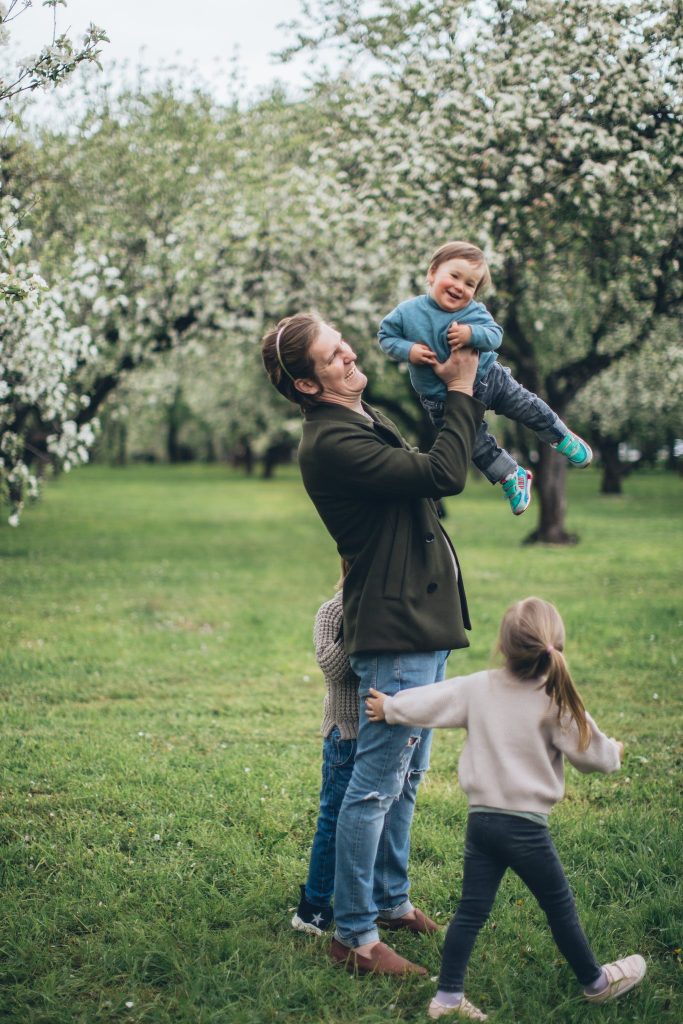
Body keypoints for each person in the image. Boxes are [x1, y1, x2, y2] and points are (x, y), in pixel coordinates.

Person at [262, 311, 484, 976]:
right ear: (307, 385)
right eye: (333, 355)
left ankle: (389, 902)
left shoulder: (355, 420)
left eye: (342, 343)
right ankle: (353, 937)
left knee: (407, 778)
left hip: (420, 621)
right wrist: (462, 391)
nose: (350, 353)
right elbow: (442, 472)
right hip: (394, 631)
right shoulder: (330, 441)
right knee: (374, 786)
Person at [365, 596, 646, 1020]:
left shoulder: (479, 686)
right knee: (559, 907)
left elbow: (432, 700)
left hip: (483, 824)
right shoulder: (555, 698)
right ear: (556, 648)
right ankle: (596, 983)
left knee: (471, 912)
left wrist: (389, 707)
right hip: (526, 830)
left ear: (503, 646)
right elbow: (593, 756)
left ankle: (446, 998)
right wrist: (617, 753)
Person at [378, 241, 593, 516]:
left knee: (525, 405)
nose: (460, 287)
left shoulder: (472, 312)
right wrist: (409, 350)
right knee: (474, 445)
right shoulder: (408, 312)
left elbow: (495, 335)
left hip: (489, 379)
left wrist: (470, 334)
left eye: (470, 284)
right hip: (442, 398)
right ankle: (511, 476)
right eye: (454, 276)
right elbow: (386, 336)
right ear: (432, 273)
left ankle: (560, 436)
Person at [291, 560, 359, 936]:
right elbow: (333, 668)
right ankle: (314, 907)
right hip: (345, 732)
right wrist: (359, 617)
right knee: (333, 819)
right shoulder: (334, 609)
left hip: (381, 730)